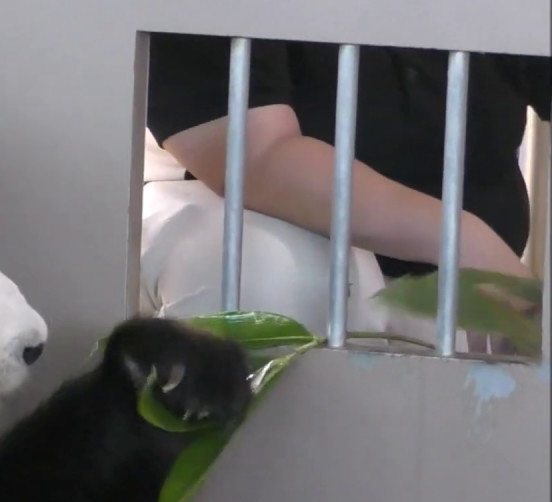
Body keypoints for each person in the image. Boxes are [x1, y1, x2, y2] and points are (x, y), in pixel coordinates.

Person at [140, 32, 550, 352]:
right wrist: (467, 244)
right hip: (264, 225)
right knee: (269, 271)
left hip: (460, 289)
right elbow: (254, 155)